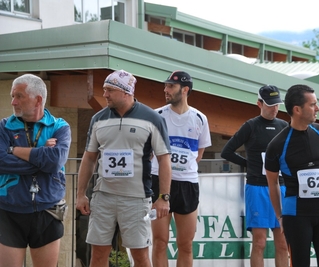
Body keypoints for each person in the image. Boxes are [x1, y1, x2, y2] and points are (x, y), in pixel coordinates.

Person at [76, 69, 172, 267]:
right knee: (99, 254)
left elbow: (164, 159)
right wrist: (80, 194)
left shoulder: (152, 118)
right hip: (103, 196)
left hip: (136, 199)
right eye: (104, 89)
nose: (105, 95)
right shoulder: (98, 119)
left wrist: (164, 197)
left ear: (126, 91)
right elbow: (89, 157)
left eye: (109, 90)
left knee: (140, 255)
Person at [265, 84, 319, 267]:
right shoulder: (277, 144)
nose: (318, 108)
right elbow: (273, 183)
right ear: (297, 109)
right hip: (296, 216)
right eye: (313, 104)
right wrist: (280, 217)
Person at [0, 74, 71, 267]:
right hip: (9, 210)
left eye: (19, 96)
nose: (13, 101)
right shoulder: (4, 127)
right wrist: (42, 156)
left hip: (47, 210)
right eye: (12, 96)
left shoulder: (60, 127)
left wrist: (13, 150)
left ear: (37, 99)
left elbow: (55, 162)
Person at [221, 85, 289, 267]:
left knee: (282, 243)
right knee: (259, 242)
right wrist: (248, 164)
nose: (275, 109)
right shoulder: (250, 126)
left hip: (281, 186)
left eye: (277, 105)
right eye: (270, 104)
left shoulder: (284, 126)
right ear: (259, 103)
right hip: (257, 187)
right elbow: (226, 151)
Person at [151, 70, 212, 267]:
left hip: (187, 185)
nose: (165, 89)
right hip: (158, 183)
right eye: (165, 85)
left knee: (185, 244)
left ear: (185, 90)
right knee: (160, 242)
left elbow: (199, 154)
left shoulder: (200, 118)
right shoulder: (157, 116)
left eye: (171, 86)